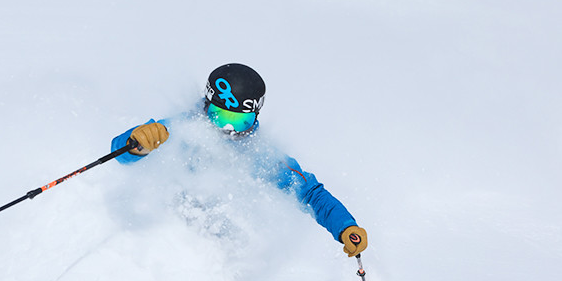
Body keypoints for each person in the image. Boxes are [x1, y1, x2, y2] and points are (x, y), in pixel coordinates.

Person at [110, 63, 368, 257]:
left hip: (212, 250)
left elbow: (311, 194)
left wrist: (344, 226)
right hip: (159, 239)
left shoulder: (262, 155)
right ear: (206, 105)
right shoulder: (182, 129)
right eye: (220, 118)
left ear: (255, 117)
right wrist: (137, 145)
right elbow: (119, 151)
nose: (229, 131)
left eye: (240, 122)